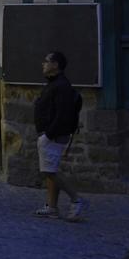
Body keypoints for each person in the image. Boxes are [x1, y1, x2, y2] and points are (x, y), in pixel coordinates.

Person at [33, 51, 88, 221]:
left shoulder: (61, 86)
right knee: (51, 170)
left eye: (46, 61)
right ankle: (52, 207)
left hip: (53, 135)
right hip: (50, 134)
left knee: (50, 172)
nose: (43, 64)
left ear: (55, 65)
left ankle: (76, 199)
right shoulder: (54, 84)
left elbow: (62, 114)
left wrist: (48, 135)